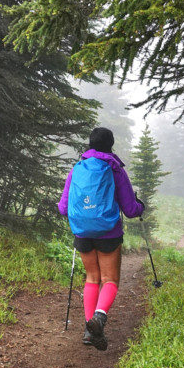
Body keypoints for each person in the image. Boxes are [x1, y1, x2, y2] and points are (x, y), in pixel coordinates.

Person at [58, 127, 144, 350]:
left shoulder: (77, 168)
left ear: (90, 144)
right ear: (111, 145)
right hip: (108, 232)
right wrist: (140, 206)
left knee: (92, 278)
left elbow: (63, 208)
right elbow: (130, 208)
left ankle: (89, 331)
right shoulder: (114, 169)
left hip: (83, 232)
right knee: (110, 279)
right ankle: (99, 318)